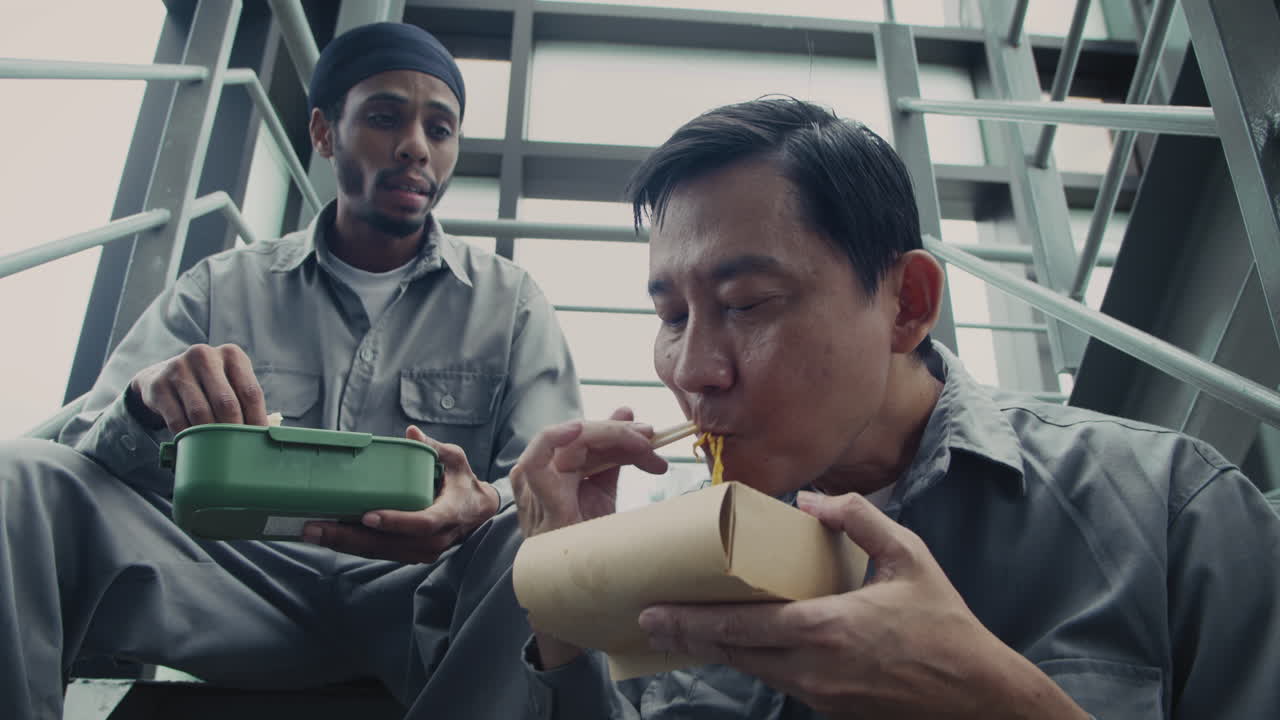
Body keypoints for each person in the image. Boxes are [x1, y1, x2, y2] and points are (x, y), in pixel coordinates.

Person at [505, 97, 1280, 717]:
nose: (694, 369)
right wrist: (568, 607)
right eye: (673, 317)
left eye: (746, 304)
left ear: (907, 303)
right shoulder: (677, 557)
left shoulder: (1166, 507)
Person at [0, 22, 580, 719]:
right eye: (386, 117)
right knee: (21, 477)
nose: (417, 146)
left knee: (534, 535)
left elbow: (545, 483)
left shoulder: (510, 304)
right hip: (232, 584)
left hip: (421, 594)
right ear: (324, 132)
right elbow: (87, 445)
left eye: (441, 127)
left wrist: (481, 506)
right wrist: (144, 400)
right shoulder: (220, 286)